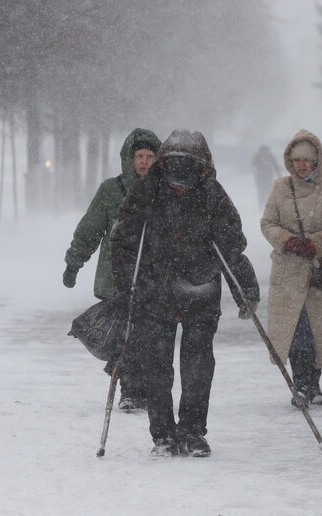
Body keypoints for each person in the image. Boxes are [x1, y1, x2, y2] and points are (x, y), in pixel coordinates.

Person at [110, 129, 259, 457]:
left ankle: (192, 432)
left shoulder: (211, 194)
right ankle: (163, 435)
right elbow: (123, 241)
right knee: (157, 366)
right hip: (154, 292)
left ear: (200, 168)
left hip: (200, 291)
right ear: (165, 165)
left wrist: (244, 288)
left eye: (187, 172)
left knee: (198, 367)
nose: (180, 182)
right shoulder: (145, 191)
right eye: (175, 171)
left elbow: (231, 246)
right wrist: (125, 286)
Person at [261, 129, 322, 407]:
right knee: (296, 332)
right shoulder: (281, 187)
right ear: (289, 161)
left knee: (318, 332)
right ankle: (302, 385)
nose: (302, 165)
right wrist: (287, 241)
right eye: (296, 160)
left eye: (307, 160)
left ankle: (313, 384)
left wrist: (318, 243)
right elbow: (267, 222)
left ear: (317, 161)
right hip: (288, 272)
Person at [63, 128, 161, 412]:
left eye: (150, 156)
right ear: (129, 159)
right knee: (125, 334)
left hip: (154, 275)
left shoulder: (165, 191)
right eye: (139, 156)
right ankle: (130, 389)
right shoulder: (111, 191)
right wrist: (74, 262)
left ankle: (149, 387)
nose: (144, 161)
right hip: (117, 274)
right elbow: (90, 230)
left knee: (150, 334)